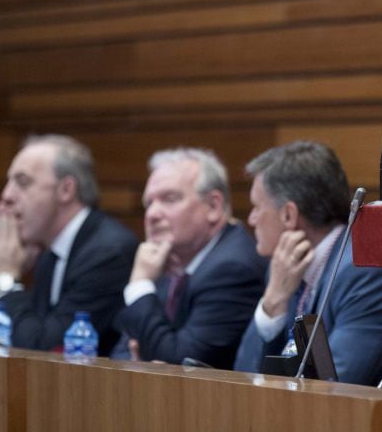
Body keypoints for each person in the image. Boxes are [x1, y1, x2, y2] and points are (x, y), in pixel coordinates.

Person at [233, 141, 382, 389]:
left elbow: (330, 387)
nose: (251, 218)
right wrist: (272, 302)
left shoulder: (364, 274)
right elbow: (242, 378)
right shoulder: (288, 270)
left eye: (257, 207)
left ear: (288, 215)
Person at [0, 134, 138, 354]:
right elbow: (0, 341)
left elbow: (45, 351)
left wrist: (7, 278)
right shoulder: (48, 253)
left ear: (66, 190)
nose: (6, 195)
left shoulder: (108, 253)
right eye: (9, 182)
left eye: (22, 182)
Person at [111, 147, 267, 367]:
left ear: (213, 206)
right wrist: (135, 364)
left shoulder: (232, 268)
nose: (152, 214)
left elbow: (183, 364)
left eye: (170, 199)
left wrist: (139, 285)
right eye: (149, 203)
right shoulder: (169, 258)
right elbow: (123, 349)